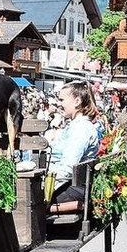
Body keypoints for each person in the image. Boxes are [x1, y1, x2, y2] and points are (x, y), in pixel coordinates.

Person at [46, 82, 100, 214]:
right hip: (71, 184)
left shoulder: (81, 129)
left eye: (62, 100)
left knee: (24, 198)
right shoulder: (76, 126)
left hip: (72, 188)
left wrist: (46, 189)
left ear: (77, 101)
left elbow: (68, 166)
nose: (59, 104)